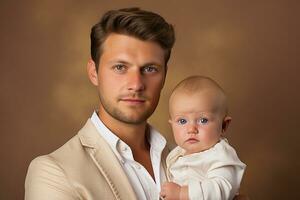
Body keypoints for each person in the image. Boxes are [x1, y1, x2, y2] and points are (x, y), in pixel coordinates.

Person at [25, 7, 175, 200]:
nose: (136, 84)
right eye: (120, 67)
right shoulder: (54, 172)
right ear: (93, 72)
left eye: (150, 68)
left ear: (164, 76)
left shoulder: (194, 157)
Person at [160, 76, 246, 200]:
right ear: (172, 124)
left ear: (224, 125)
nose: (191, 129)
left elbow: (221, 189)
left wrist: (181, 193)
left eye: (203, 120)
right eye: (182, 121)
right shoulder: (175, 154)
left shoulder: (220, 155)